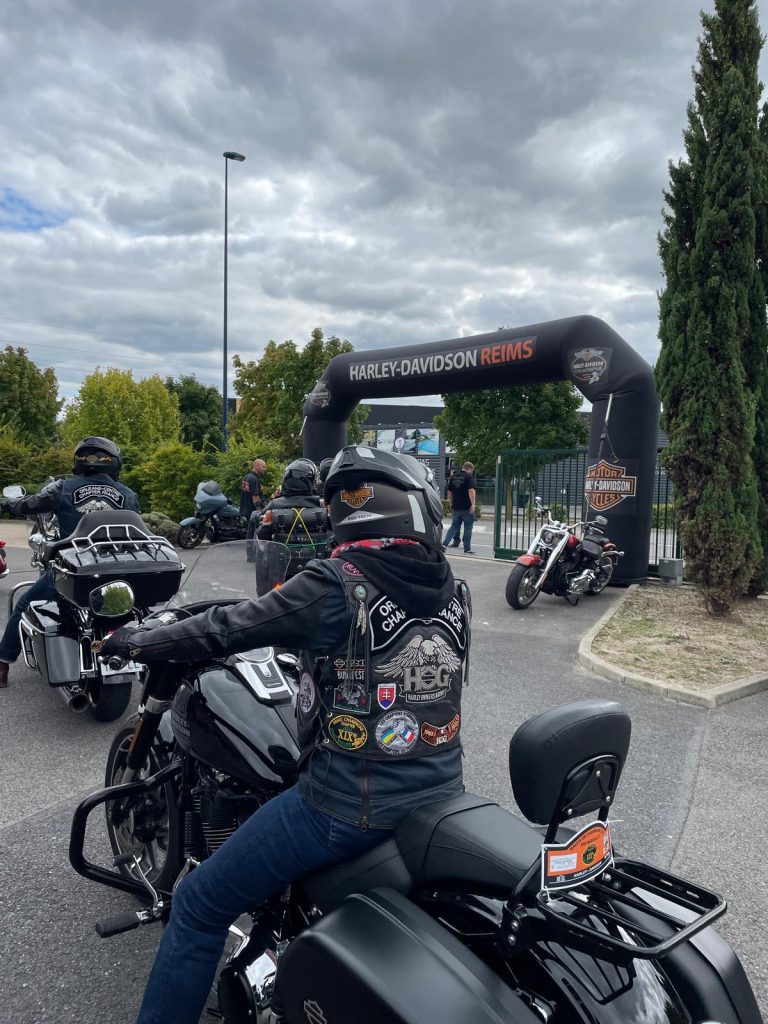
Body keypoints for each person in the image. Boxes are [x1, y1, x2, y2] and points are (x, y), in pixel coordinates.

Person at [101, 445, 470, 1024]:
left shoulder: (338, 584)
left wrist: (139, 640)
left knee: (197, 903)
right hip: (442, 789)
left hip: (345, 806)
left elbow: (231, 627)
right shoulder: (453, 587)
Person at [0, 437, 141, 687]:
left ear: (79, 461)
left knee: (24, 603)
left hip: (75, 571)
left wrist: (6, 503)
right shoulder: (127, 494)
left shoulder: (62, 488)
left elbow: (28, 505)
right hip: (118, 571)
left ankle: (3, 663)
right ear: (114, 463)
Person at [255, 458, 330, 579]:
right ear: (311, 481)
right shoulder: (321, 504)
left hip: (281, 568)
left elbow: (261, 534)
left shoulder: (274, 505)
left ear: (286, 481)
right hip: (317, 567)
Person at [443, 461, 477, 554]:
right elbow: (471, 490)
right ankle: (467, 549)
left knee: (453, 527)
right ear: (470, 469)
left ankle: (444, 544)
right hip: (467, 508)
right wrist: (473, 504)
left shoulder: (453, 476)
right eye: (472, 471)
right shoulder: (469, 477)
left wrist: (451, 503)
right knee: (468, 528)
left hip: (456, 507)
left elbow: (449, 492)